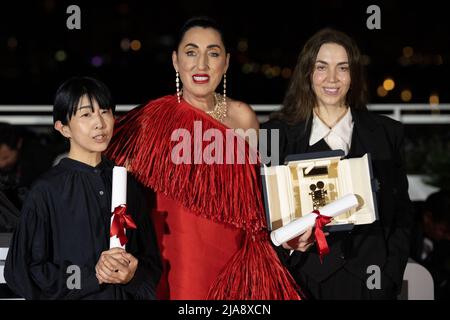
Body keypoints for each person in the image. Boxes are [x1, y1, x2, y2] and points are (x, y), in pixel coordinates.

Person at [106, 16, 300, 299]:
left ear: (227, 62)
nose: (202, 65)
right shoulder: (150, 120)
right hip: (176, 256)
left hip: (237, 254)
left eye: (213, 53)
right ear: (175, 61)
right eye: (191, 52)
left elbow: (260, 195)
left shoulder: (243, 116)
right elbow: (117, 187)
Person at [261, 28, 413, 299]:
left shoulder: (387, 134)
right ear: (308, 73)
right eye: (322, 67)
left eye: (342, 68)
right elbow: (262, 220)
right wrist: (288, 255)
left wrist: (388, 278)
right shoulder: (275, 136)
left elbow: (401, 214)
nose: (332, 78)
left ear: (353, 75)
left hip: (370, 285)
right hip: (301, 283)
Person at [5, 77, 162, 299]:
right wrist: (91, 276)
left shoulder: (128, 184)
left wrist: (132, 275)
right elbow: (23, 271)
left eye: (105, 111)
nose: (100, 122)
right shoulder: (47, 191)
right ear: (63, 128)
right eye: (86, 114)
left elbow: (151, 260)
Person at [410, 191, 450, 299]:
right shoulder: (402, 232)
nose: (448, 237)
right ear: (427, 218)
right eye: (444, 230)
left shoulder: (441, 243)